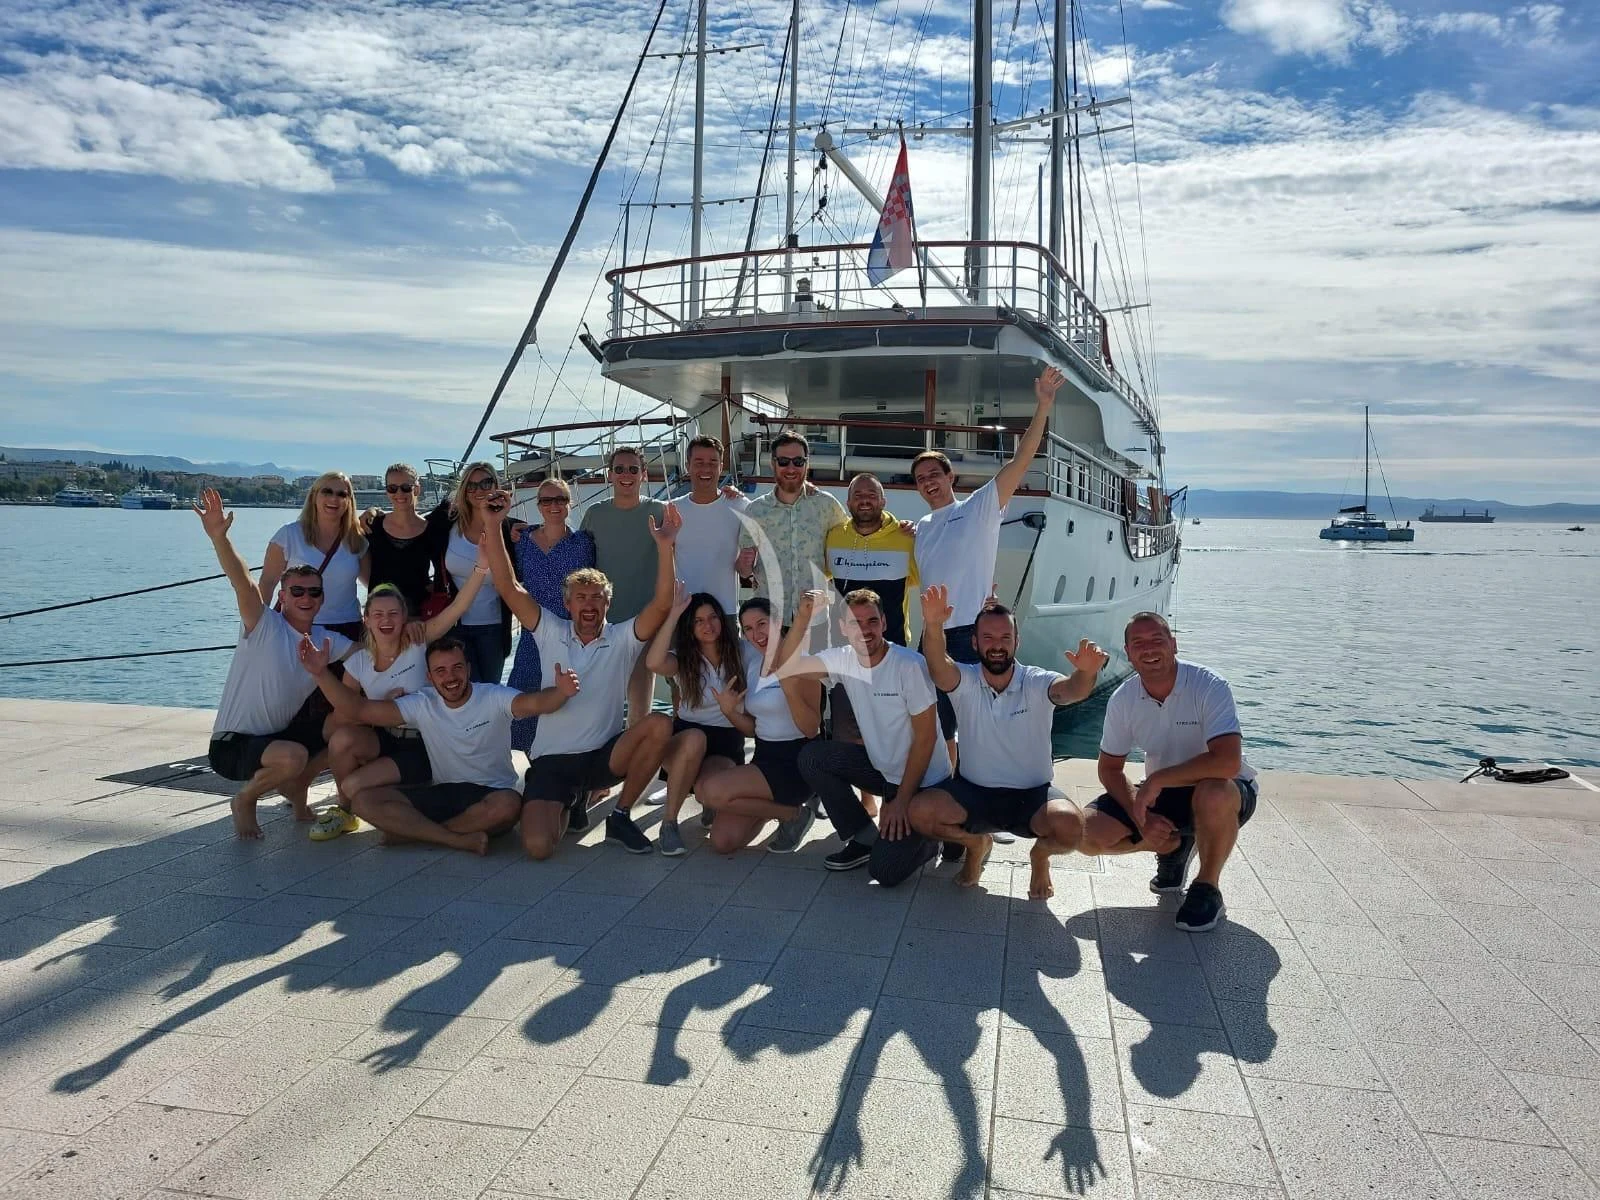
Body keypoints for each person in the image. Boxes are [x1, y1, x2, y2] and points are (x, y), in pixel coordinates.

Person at [479, 497, 681, 857]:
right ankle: (569, 802)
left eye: (597, 598)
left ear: (608, 604)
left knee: (660, 724)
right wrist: (493, 526)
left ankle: (620, 815)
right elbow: (509, 587)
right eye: (581, 598)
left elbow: (662, 604)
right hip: (552, 761)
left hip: (603, 758)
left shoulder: (622, 639)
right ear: (568, 604)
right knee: (539, 846)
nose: (589, 605)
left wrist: (665, 548)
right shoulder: (549, 630)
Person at [908, 585, 1108, 897]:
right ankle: (976, 845)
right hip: (973, 793)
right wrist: (933, 624)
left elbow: (1071, 690)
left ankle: (1039, 857)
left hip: (1031, 797)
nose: (996, 646)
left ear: (1017, 641)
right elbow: (937, 665)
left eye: (1004, 638)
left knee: (1071, 828)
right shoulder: (965, 681)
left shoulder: (1036, 681)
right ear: (974, 642)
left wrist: (1086, 673)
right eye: (987, 638)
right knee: (920, 812)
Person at [298, 635, 578, 855]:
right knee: (363, 801)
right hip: (443, 790)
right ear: (430, 678)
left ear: (468, 669)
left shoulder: (493, 697)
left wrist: (561, 693)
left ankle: (413, 834)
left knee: (509, 804)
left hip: (489, 795)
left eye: (457, 668)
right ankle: (457, 840)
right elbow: (359, 709)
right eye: (440, 671)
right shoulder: (423, 703)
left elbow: (536, 703)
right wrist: (320, 674)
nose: (451, 677)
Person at [911, 367, 1065, 750]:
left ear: (951, 477)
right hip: (933, 636)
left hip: (968, 635)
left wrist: (1043, 405)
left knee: (975, 723)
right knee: (934, 723)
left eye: (934, 474)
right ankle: (944, 792)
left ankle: (973, 791)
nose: (928, 482)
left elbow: (1020, 461)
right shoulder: (923, 526)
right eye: (920, 479)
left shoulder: (980, 507)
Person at [1078, 611, 1259, 932]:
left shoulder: (1208, 686)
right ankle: (1173, 848)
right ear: (1128, 653)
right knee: (1085, 833)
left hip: (1226, 791)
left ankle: (1207, 887)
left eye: (1157, 640)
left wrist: (1157, 780)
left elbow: (1228, 762)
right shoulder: (1124, 699)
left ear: (1174, 645)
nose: (1148, 649)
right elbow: (1109, 768)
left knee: (1212, 791)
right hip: (1162, 794)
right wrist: (1141, 817)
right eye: (1138, 643)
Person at [195, 487, 354, 840]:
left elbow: (370, 653)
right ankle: (245, 800)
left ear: (322, 598)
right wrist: (219, 537)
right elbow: (243, 583)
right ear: (282, 597)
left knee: (344, 730)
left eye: (314, 592)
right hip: (232, 744)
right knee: (293, 756)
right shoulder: (265, 625)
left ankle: (296, 791)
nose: (306, 598)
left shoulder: (328, 640)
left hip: (275, 738)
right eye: (296, 591)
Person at [309, 559, 493, 843]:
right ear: (366, 619)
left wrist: (481, 568)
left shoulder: (418, 644)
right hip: (385, 738)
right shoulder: (357, 663)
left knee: (355, 784)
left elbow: (457, 608)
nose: (386, 621)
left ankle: (410, 801)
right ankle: (345, 812)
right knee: (342, 740)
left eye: (394, 614)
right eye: (379, 614)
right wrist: (385, 709)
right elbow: (342, 716)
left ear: (405, 618)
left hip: (423, 743)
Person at [786, 588, 953, 885]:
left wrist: (901, 801)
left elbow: (926, 739)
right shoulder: (843, 659)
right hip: (882, 772)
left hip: (924, 781)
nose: (864, 630)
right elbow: (789, 667)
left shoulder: (909, 665)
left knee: (885, 872)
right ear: (843, 629)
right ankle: (863, 837)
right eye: (854, 623)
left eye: (871, 621)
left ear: (884, 623)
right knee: (813, 758)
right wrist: (802, 618)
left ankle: (930, 837)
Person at [695, 597, 824, 855]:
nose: (756, 634)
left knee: (708, 791)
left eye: (762, 624)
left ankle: (794, 810)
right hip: (764, 758)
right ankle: (787, 813)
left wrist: (789, 689)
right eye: (749, 629)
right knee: (723, 841)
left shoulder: (804, 662)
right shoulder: (753, 664)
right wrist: (730, 712)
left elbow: (811, 728)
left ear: (778, 623)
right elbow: (754, 729)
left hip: (796, 763)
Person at [644, 585, 758, 855]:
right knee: (695, 739)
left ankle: (708, 802)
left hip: (727, 739)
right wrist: (673, 615)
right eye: (699, 620)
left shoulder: (742, 651)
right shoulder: (684, 658)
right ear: (689, 627)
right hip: (687, 737)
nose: (708, 625)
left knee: (712, 790)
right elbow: (653, 663)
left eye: (713, 617)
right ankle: (669, 823)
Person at [580, 446, 668, 727]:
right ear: (610, 475)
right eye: (619, 469)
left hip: (646, 618)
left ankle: (635, 763)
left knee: (640, 705)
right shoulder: (595, 513)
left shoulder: (659, 510)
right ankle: (604, 762)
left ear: (643, 474)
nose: (626, 475)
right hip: (605, 623)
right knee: (602, 701)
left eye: (633, 469)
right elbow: (579, 559)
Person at [508, 477, 597, 752]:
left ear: (570, 504)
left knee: (571, 699)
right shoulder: (522, 540)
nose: (553, 505)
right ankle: (531, 757)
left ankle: (571, 759)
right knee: (525, 697)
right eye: (547, 500)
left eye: (560, 499)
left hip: (570, 634)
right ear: (538, 505)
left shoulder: (583, 543)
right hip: (532, 633)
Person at [737, 432, 846, 625]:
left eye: (798, 461)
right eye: (783, 461)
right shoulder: (755, 511)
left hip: (815, 620)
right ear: (773, 463)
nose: (791, 468)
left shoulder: (827, 506)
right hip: (769, 621)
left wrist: (898, 527)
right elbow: (743, 571)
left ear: (807, 463)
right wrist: (744, 566)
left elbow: (853, 540)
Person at [425, 461, 518, 683]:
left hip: (493, 628)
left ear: (496, 486)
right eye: (471, 486)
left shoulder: (506, 529)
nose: (479, 490)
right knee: (461, 692)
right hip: (453, 625)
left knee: (489, 692)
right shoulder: (445, 522)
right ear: (464, 491)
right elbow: (409, 528)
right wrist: (375, 515)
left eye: (486, 483)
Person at [258, 471, 369, 640]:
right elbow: (267, 583)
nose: (334, 499)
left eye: (341, 494)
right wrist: (258, 627)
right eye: (327, 492)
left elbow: (373, 584)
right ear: (314, 496)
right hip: (297, 629)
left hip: (349, 629)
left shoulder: (357, 539)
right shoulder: (288, 535)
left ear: (349, 501)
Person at [824, 473, 919, 646]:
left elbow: (926, 579)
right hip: (843, 649)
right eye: (858, 496)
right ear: (848, 503)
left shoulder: (906, 538)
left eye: (872, 495)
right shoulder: (833, 537)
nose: (865, 501)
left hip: (892, 648)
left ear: (883, 502)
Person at [672, 436, 751, 617]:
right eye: (699, 462)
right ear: (687, 465)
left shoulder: (741, 506)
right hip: (683, 613)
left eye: (712, 462)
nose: (706, 468)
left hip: (727, 613)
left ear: (721, 466)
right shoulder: (671, 509)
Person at [363, 463, 437, 613]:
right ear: (387, 492)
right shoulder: (372, 525)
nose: (399, 493)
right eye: (392, 488)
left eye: (405, 487)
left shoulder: (431, 530)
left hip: (418, 617)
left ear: (416, 489)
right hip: (380, 617)